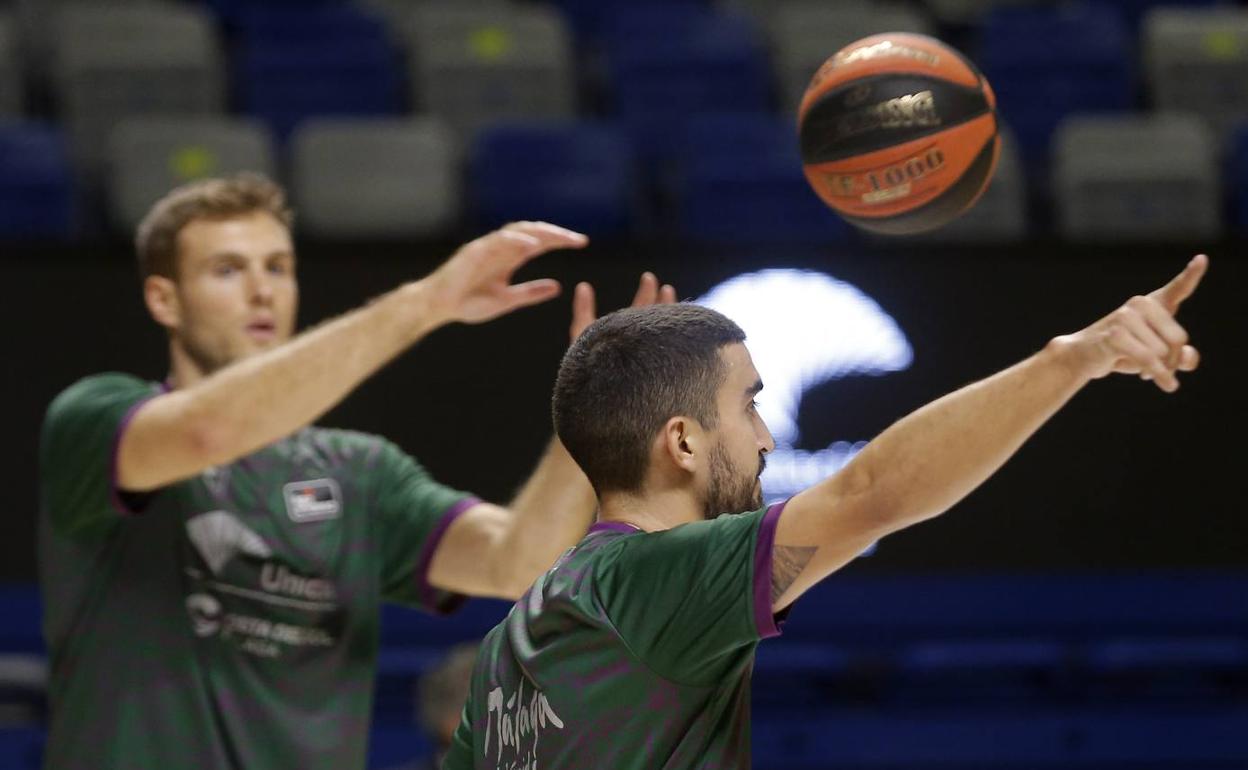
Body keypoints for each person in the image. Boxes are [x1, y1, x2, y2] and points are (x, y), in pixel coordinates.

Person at [445, 256, 1209, 769]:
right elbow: (870, 493)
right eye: (748, 406)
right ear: (680, 440)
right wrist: (1077, 357)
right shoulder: (651, 583)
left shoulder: (507, 646)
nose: (769, 438)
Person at [37, 172, 675, 770]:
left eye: (278, 268)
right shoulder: (95, 419)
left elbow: (516, 561)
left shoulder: (358, 473)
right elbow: (209, 428)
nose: (262, 290)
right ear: (163, 299)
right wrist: (428, 301)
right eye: (227, 270)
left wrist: (589, 413)